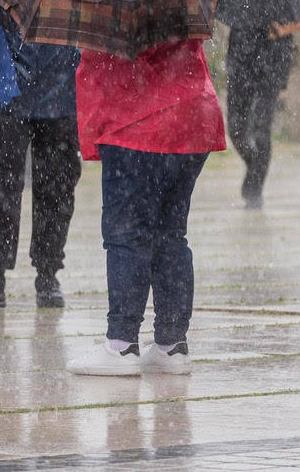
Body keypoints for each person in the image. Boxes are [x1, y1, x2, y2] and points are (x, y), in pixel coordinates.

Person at [66, 38, 226, 376]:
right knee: (170, 234)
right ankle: (172, 344)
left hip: (136, 123)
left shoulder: (114, 0)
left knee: (127, 233)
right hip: (191, 116)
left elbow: (102, 60)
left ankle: (122, 344)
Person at [0, 0, 81, 309]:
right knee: (29, 187)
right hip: (24, 91)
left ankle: (28, 275)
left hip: (41, 91)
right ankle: (28, 276)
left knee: (28, 187)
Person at [225, 10, 300, 209]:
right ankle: (255, 166)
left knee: (261, 128)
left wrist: (283, 29)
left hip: (273, 59)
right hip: (240, 57)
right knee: (235, 129)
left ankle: (254, 191)